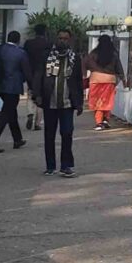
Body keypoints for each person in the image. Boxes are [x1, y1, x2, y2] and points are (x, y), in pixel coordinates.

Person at [40, 28, 83, 177]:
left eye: (65, 39)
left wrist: (79, 103)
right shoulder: (47, 56)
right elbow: (39, 75)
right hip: (50, 102)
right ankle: (50, 166)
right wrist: (38, 95)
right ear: (56, 39)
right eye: (60, 38)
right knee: (49, 135)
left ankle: (66, 166)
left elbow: (78, 81)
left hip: (67, 103)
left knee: (67, 133)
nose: (62, 41)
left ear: (69, 41)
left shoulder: (74, 58)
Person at [0, 31, 32, 154]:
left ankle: (17, 139)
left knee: (11, 111)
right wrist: (32, 86)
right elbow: (26, 71)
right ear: (18, 39)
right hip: (14, 86)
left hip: (0, 85)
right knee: (6, 113)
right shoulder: (21, 53)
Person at [83, 34, 124, 130]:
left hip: (95, 81)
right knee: (107, 100)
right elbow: (119, 67)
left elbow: (84, 64)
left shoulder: (93, 54)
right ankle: (106, 119)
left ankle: (99, 122)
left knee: (97, 101)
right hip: (110, 81)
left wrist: (84, 75)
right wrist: (123, 78)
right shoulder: (113, 54)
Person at [23, 24, 50, 131]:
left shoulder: (28, 43)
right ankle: (37, 123)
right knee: (41, 97)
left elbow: (24, 57)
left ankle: (30, 112)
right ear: (44, 32)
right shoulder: (48, 44)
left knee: (31, 93)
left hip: (31, 72)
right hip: (44, 73)